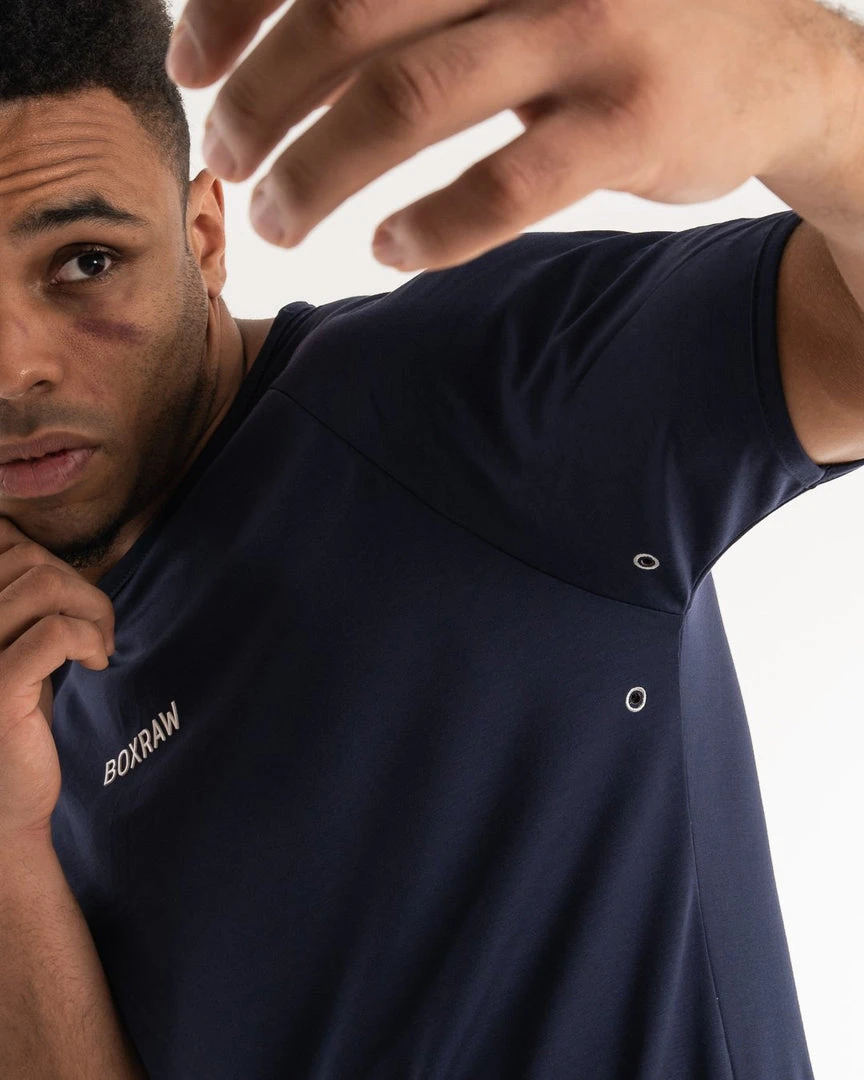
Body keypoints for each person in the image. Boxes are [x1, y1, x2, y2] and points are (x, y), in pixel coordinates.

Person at [1, 1, 863, 1077]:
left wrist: (819, 93)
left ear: (203, 238)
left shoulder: (464, 403)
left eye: (84, 262)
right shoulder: (24, 666)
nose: (13, 368)